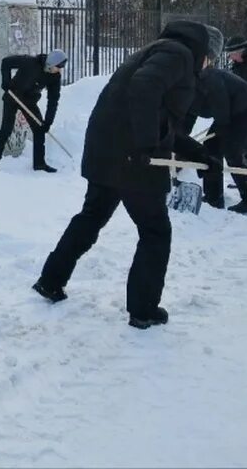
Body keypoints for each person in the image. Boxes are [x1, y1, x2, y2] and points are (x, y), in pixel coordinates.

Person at [32, 20, 213, 330]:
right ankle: (143, 309)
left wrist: (197, 152)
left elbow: (158, 117)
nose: (208, 66)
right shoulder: (179, 54)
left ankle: (51, 281)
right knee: (155, 231)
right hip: (132, 158)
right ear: (204, 51)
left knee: (92, 216)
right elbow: (145, 88)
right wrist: (144, 146)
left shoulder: (157, 50)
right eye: (210, 59)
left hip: (109, 150)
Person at [182, 58, 247, 213]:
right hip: (228, 113)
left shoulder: (208, 79)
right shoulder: (187, 89)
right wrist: (180, 139)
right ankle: (214, 196)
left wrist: (224, 132)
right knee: (210, 148)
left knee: (232, 152)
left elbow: (222, 106)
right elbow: (189, 115)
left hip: (246, 109)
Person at [0, 50, 67, 173]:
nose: (60, 69)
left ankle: (39, 164)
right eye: (59, 66)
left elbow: (53, 100)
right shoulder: (30, 62)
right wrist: (6, 82)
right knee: (6, 129)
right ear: (51, 63)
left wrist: (48, 122)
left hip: (29, 101)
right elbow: (6, 62)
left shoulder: (54, 77)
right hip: (13, 96)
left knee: (40, 129)